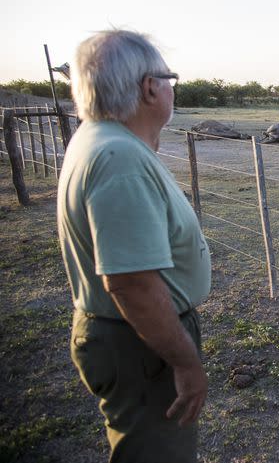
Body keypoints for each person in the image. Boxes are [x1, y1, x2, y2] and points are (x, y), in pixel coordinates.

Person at [57, 29, 211, 462]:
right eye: (169, 79)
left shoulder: (102, 139)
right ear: (149, 87)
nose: (171, 89)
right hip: (140, 345)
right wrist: (184, 362)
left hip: (133, 337)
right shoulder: (118, 159)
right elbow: (132, 285)